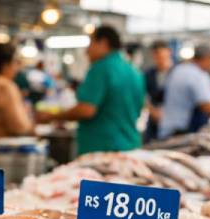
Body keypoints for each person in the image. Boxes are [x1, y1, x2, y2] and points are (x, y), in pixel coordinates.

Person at [37, 25, 144, 155]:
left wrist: (52, 117)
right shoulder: (134, 72)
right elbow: (138, 110)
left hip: (102, 151)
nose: (86, 51)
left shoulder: (101, 68)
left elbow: (86, 110)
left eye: (90, 44)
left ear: (103, 43)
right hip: (130, 147)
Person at [159, 45, 210, 138]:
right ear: (207, 58)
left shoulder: (179, 69)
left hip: (168, 127)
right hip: (181, 131)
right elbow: (207, 105)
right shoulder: (197, 74)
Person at [143, 40, 172, 142]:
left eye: (162, 55)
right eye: (157, 56)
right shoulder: (148, 74)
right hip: (154, 121)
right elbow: (143, 96)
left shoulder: (177, 73)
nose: (160, 59)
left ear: (169, 52)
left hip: (173, 121)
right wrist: (152, 111)